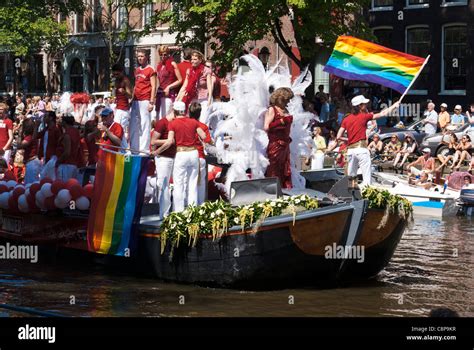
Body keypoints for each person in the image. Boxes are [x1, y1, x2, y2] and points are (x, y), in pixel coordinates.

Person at [154, 101, 208, 212]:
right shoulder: (193, 121)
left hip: (181, 153)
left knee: (179, 184)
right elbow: (203, 136)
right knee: (192, 184)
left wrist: (157, 151)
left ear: (174, 111)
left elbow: (169, 142)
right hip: (194, 153)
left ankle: (179, 212)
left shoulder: (172, 123)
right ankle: (193, 212)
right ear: (185, 111)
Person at [336, 95, 400, 186]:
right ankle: (366, 196)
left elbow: (338, 136)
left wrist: (350, 139)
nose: (366, 105)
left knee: (351, 179)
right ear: (359, 106)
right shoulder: (364, 116)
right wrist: (394, 106)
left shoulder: (346, 119)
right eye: (364, 104)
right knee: (367, 179)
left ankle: (353, 196)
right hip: (361, 150)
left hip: (350, 151)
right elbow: (382, 114)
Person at [150, 103, 177, 219]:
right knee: (163, 185)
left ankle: (175, 212)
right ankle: (164, 215)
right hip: (163, 158)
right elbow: (153, 141)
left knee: (177, 185)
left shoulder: (176, 122)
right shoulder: (162, 123)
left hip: (175, 157)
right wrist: (169, 140)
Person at [264, 87, 294, 189]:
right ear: (281, 98)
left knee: (285, 169)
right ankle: (273, 191)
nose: (288, 102)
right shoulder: (272, 109)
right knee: (274, 169)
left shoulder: (286, 110)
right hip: (275, 145)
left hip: (285, 145)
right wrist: (281, 121)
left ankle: (285, 191)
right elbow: (266, 127)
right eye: (287, 100)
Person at [130, 49, 157, 153]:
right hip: (136, 100)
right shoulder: (137, 70)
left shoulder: (151, 69)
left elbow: (154, 86)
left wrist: (151, 102)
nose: (140, 58)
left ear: (146, 57)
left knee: (145, 124)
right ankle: (134, 147)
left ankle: (144, 148)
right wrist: (132, 99)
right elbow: (135, 85)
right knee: (134, 124)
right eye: (138, 56)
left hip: (145, 99)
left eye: (142, 56)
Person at [176, 50, 213, 123]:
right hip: (192, 97)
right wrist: (178, 98)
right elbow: (185, 85)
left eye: (195, 59)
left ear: (200, 60)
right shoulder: (189, 70)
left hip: (204, 99)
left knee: (203, 121)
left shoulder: (206, 70)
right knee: (191, 121)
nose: (192, 61)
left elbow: (209, 85)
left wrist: (209, 99)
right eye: (192, 59)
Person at [188, 102, 212, 204]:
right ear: (200, 113)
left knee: (187, 182)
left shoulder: (184, 123)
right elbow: (208, 142)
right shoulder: (203, 126)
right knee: (200, 184)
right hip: (199, 156)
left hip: (185, 155)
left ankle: (188, 205)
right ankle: (200, 205)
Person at [155, 45, 183, 120]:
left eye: (165, 54)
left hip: (168, 95)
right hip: (159, 94)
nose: (163, 56)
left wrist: (169, 87)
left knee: (166, 118)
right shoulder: (159, 65)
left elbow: (180, 80)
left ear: (168, 54)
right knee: (158, 118)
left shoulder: (172, 64)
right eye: (161, 55)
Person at [55, 116, 81, 181]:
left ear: (64, 122)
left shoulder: (67, 134)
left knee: (63, 187)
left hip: (66, 165)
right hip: (74, 164)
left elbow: (67, 152)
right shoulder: (76, 132)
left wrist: (58, 161)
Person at [112, 64, 132, 139]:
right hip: (118, 109)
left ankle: (123, 149)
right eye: (114, 74)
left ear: (122, 72)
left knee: (120, 131)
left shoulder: (125, 81)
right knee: (117, 130)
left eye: (117, 74)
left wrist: (124, 92)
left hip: (124, 110)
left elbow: (130, 95)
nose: (115, 76)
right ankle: (121, 148)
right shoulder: (116, 80)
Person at [17, 118, 40, 184]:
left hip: (32, 162)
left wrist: (19, 133)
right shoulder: (32, 136)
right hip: (32, 162)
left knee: (30, 184)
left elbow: (19, 146)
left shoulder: (29, 138)